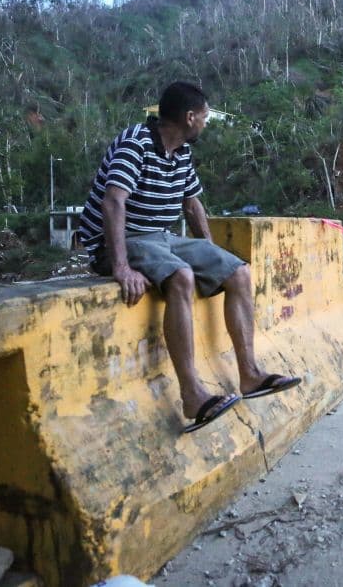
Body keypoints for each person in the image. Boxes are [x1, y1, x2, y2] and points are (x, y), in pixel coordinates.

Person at [77, 81, 300, 433]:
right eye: (206, 117)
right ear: (190, 116)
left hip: (162, 238)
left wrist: (211, 253)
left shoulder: (181, 152)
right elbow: (113, 201)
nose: (207, 123)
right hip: (122, 239)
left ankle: (250, 375)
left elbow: (192, 204)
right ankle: (192, 395)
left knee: (238, 272)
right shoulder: (135, 143)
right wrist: (119, 266)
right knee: (181, 277)